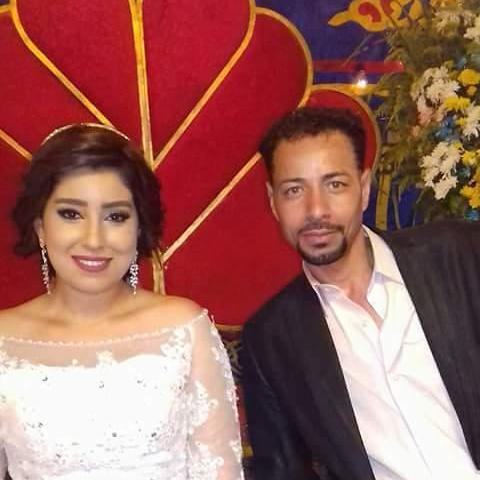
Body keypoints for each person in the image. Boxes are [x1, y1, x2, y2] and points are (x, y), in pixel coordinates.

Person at [241, 107, 480, 480]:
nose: (316, 210)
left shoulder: (459, 255)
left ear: (364, 188)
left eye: (335, 184)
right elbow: (282, 470)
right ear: (273, 201)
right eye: (294, 190)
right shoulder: (271, 338)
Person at [0, 123, 244, 480]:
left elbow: (220, 471)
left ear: (138, 229)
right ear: (40, 227)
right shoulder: (4, 338)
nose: (94, 239)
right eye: (71, 214)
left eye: (115, 217)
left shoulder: (185, 329)